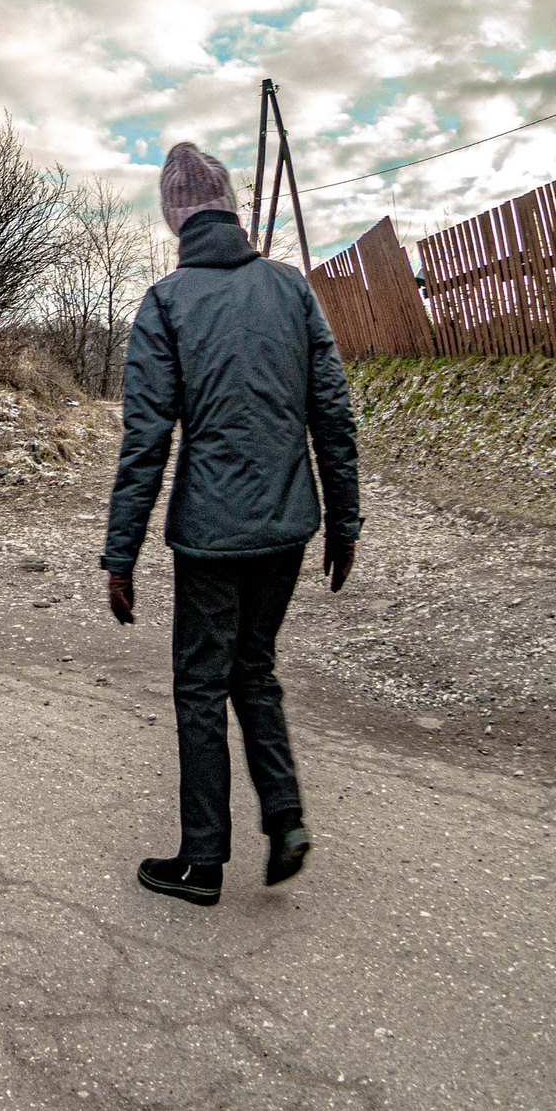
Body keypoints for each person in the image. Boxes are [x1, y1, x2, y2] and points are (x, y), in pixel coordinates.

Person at [103, 141, 361, 908]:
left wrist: (121, 555)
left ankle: (202, 860)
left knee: (201, 684)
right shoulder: (291, 290)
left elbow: (145, 440)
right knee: (255, 669)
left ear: (174, 216)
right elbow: (333, 416)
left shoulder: (167, 303)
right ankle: (285, 822)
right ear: (232, 207)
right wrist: (344, 523)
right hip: (289, 526)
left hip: (211, 535)